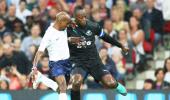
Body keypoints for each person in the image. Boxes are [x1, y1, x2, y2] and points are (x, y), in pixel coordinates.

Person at [67, 7, 128, 100]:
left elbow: (106, 37)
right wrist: (69, 40)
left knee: (110, 83)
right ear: (75, 17)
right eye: (80, 17)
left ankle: (116, 85)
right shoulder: (67, 27)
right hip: (78, 62)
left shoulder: (93, 26)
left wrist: (121, 45)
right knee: (76, 82)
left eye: (85, 16)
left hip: (95, 61)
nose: (84, 19)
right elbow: (56, 39)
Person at [32, 12, 72, 100]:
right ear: (60, 22)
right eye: (66, 24)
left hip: (67, 62)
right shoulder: (49, 34)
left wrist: (72, 39)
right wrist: (34, 67)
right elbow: (39, 52)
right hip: (56, 63)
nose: (67, 26)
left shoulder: (62, 26)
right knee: (62, 86)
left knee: (61, 89)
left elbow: (64, 39)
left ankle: (41, 78)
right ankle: (40, 77)